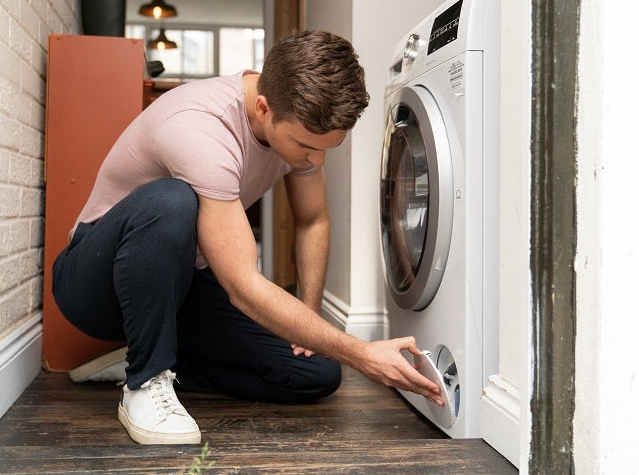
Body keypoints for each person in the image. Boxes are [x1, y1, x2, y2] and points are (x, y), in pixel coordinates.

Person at [51, 30, 443, 446]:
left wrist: (306, 323)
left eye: (328, 149)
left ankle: (152, 356)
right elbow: (241, 286)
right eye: (306, 146)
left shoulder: (299, 127)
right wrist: (363, 353)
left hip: (180, 284)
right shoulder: (200, 129)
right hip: (95, 282)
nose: (316, 161)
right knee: (173, 201)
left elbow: (312, 220)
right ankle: (146, 378)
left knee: (316, 373)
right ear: (263, 107)